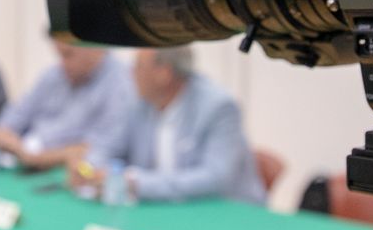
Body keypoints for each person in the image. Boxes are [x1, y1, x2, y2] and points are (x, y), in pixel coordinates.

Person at [69, 47, 266, 205]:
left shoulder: (218, 107)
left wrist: (136, 182)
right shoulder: (137, 102)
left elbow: (215, 178)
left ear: (163, 74)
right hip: (164, 210)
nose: (130, 73)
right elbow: (107, 146)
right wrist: (88, 167)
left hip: (223, 213)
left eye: (138, 66)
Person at [0, 38, 133, 170]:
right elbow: (7, 122)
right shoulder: (53, 75)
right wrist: (12, 143)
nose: (62, 63)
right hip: (24, 160)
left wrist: (41, 158)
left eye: (68, 54)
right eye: (59, 55)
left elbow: (101, 149)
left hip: (68, 172)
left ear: (94, 49)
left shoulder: (121, 85)